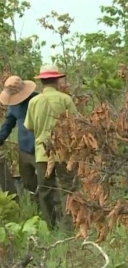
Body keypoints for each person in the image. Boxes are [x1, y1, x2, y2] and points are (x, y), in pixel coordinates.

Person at [24, 65, 78, 230]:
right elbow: (76, 124)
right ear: (57, 80)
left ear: (41, 82)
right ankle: (70, 226)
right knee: (69, 188)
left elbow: (29, 126)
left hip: (42, 153)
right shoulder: (65, 99)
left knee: (46, 190)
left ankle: (51, 226)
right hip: (64, 152)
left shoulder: (33, 102)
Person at [0, 76, 39, 196]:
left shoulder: (38, 99)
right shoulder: (14, 106)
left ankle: (52, 209)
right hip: (24, 148)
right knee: (28, 181)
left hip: (40, 147)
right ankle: (37, 204)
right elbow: (8, 124)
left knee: (46, 181)